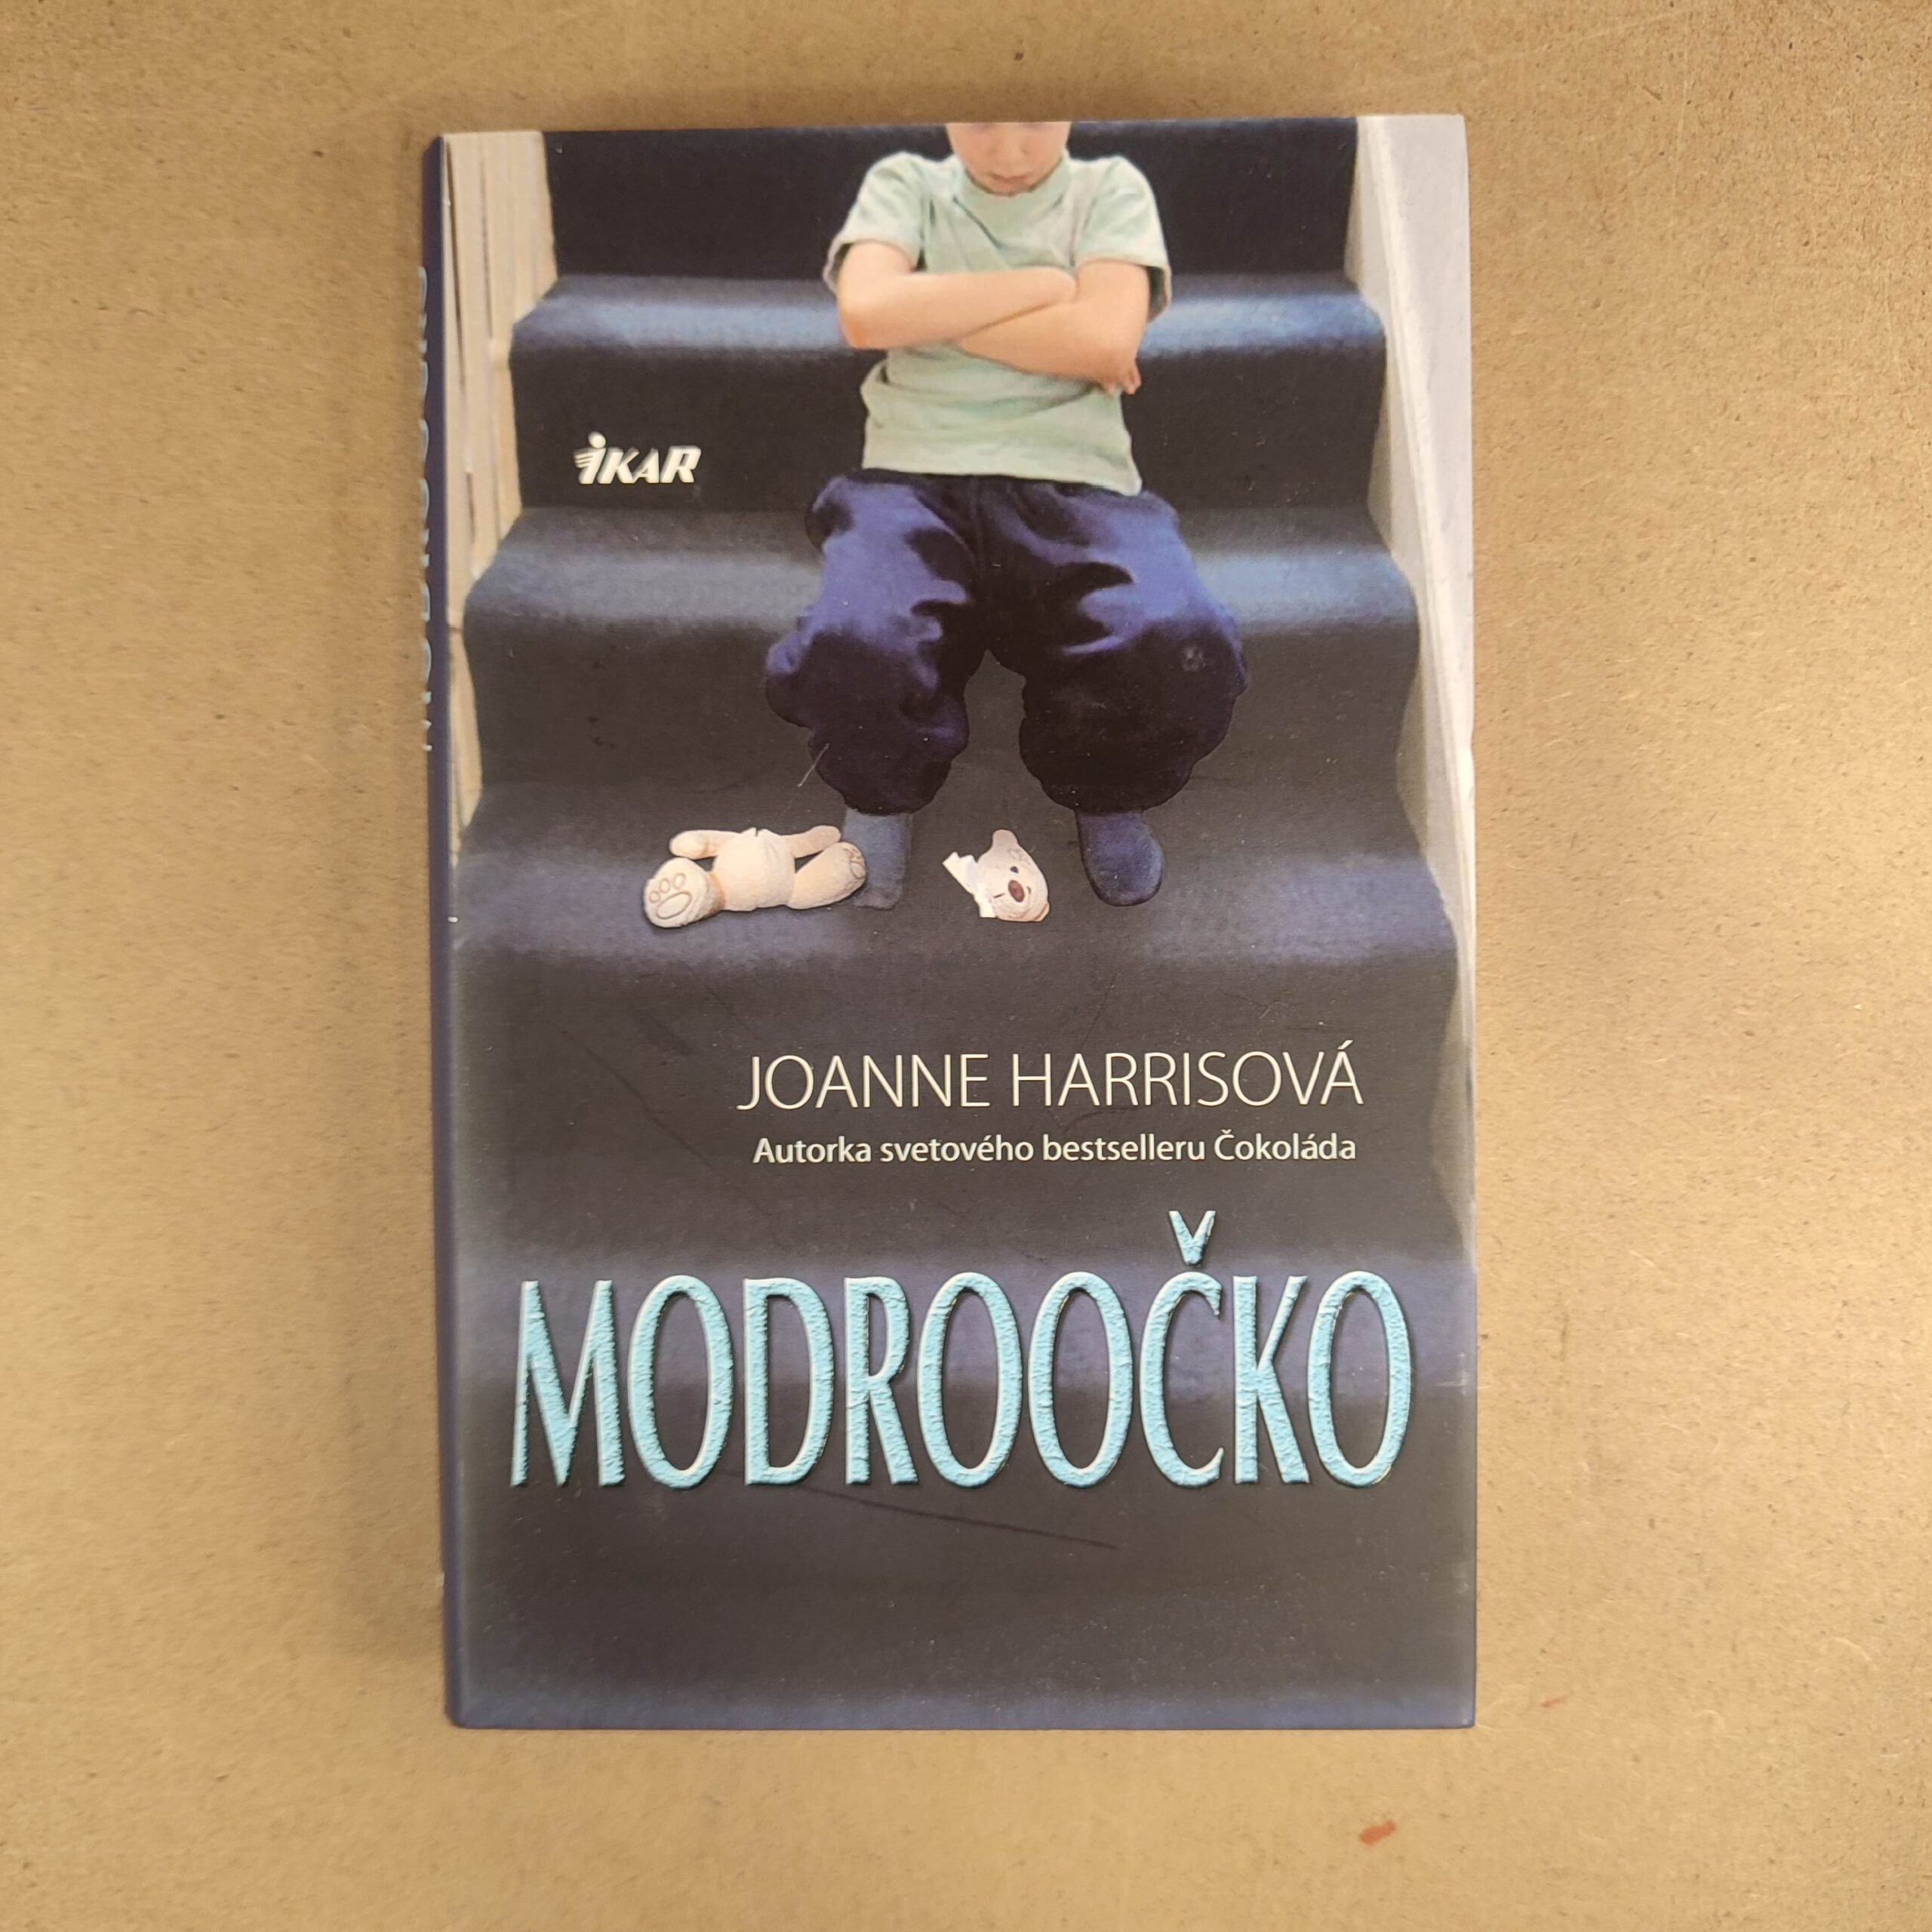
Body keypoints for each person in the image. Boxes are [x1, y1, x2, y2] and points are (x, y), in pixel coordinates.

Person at [764, 121, 1247, 908]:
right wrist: (1047, 287)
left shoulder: (1108, 189)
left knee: (1175, 633)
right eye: (985, 121)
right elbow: (866, 314)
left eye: (1034, 121)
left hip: (1077, 482)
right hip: (912, 475)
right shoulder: (907, 185)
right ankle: (880, 794)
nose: (1011, 151)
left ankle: (1105, 786)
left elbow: (1104, 341)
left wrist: (935, 312)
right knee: (858, 635)